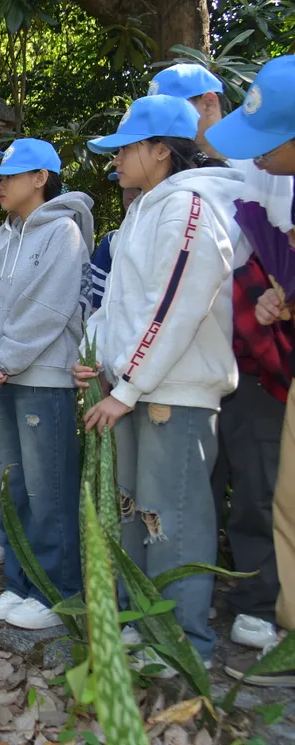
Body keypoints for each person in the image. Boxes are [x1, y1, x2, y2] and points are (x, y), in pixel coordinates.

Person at [78, 94, 241, 667]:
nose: (116, 160)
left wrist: (126, 388)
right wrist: (93, 356)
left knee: (168, 518)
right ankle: (141, 624)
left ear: (160, 151)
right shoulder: (142, 210)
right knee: (132, 511)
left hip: (174, 391)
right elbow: (118, 305)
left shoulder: (189, 207)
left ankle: (179, 643)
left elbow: (175, 305)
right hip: (133, 389)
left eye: (125, 149)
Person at [151, 61, 295, 652]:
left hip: (260, 361)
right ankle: (199, 591)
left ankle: (262, 600)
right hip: (194, 359)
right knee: (195, 483)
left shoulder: (263, 168)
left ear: (209, 104)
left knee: (262, 482)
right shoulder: (168, 187)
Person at [0, 139, 92, 630]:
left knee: (48, 491)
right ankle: (21, 585)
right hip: (2, 375)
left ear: (41, 177)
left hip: (44, 378)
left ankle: (57, 593)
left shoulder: (63, 233)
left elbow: (50, 311)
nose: (0, 184)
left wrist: (0, 359)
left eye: (11, 175)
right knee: (13, 486)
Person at [205, 55, 295, 684]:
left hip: (265, 376)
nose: (256, 159)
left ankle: (269, 614)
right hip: (234, 367)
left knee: (269, 498)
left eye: (266, 145)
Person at [84, 174, 143, 318]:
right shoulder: (112, 241)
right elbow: (93, 307)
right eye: (126, 188)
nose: (130, 195)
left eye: (139, 188)